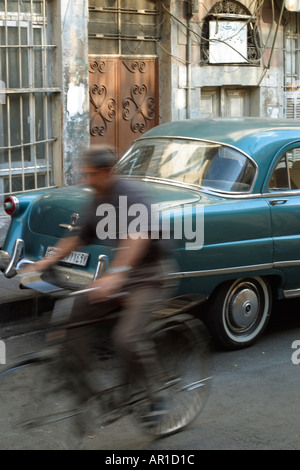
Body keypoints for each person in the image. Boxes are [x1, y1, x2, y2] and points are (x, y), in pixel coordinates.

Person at [26, 146, 177, 425]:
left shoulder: (131, 194)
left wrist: (117, 273)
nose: (87, 179)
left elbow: (138, 235)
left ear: (107, 171)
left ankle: (157, 396)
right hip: (118, 276)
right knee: (75, 314)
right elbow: (78, 238)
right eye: (85, 174)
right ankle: (87, 387)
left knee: (126, 337)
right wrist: (43, 263)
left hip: (148, 276)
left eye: (92, 174)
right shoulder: (97, 197)